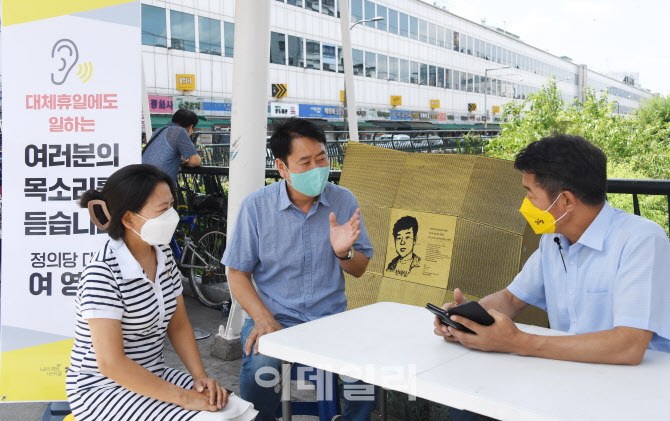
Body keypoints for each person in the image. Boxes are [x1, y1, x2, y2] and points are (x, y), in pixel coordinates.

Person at [434, 134, 670, 419]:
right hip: (568, 372)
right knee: (467, 405)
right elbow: (510, 298)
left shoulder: (641, 240)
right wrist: (466, 317)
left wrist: (517, 342)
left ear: (566, 201)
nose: (526, 203)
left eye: (530, 193)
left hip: (632, 391)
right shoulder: (554, 241)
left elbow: (629, 346)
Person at [66, 164, 256, 421]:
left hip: (153, 374)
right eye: (162, 209)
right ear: (129, 218)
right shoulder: (102, 273)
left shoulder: (163, 253)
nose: (172, 215)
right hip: (103, 389)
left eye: (171, 206)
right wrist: (187, 398)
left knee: (234, 408)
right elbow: (111, 364)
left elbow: (178, 324)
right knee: (210, 417)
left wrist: (200, 378)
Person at [222, 118, 375, 421]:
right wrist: (263, 319)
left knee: (366, 369)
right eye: (305, 162)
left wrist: (344, 252)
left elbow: (360, 269)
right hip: (274, 316)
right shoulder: (256, 207)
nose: (317, 169)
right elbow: (237, 272)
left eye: (322, 159)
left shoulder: (342, 200)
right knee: (259, 367)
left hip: (330, 318)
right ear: (282, 167)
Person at [143, 109, 202, 182]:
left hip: (143, 181)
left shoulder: (159, 130)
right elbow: (195, 161)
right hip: (159, 186)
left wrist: (175, 160)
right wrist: (187, 162)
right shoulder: (179, 131)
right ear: (190, 127)